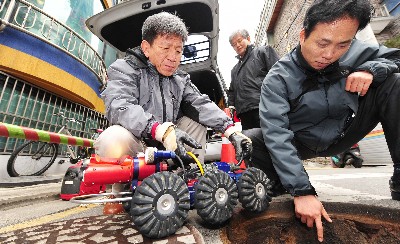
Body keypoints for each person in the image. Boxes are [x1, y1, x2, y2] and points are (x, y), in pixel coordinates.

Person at [242, 0, 400, 242]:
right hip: (301, 141)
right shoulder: (278, 78)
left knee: (394, 83)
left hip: (345, 132)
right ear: (303, 35)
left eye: (342, 45)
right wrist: (302, 190)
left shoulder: (356, 53)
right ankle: (283, 183)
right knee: (251, 139)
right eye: (322, 43)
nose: (329, 54)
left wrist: (372, 70)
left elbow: (396, 58)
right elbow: (277, 134)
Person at [94, 12, 251, 189]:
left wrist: (230, 131)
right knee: (112, 138)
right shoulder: (124, 69)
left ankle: (185, 181)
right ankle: (119, 192)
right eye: (165, 48)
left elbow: (200, 104)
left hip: (169, 147)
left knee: (195, 122)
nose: (173, 57)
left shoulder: (180, 79)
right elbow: (120, 106)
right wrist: (160, 130)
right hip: (140, 147)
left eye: (178, 50)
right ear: (146, 48)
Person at [227, 29, 279, 130]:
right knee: (253, 143)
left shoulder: (263, 51)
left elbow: (279, 75)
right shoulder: (234, 70)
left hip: (264, 107)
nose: (237, 45)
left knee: (272, 139)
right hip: (244, 114)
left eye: (239, 40)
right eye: (234, 44)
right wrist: (231, 106)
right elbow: (232, 91)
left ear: (248, 39)